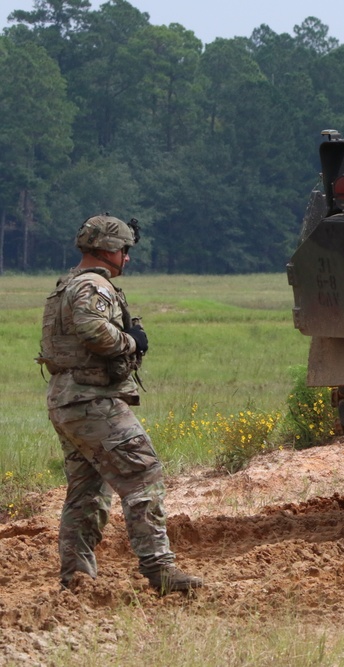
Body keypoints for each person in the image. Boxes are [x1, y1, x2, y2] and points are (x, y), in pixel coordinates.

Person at [37, 214, 203, 594]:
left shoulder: (67, 284)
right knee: (143, 475)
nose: (127, 258)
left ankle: (77, 580)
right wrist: (132, 341)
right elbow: (93, 328)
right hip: (92, 400)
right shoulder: (93, 286)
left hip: (68, 401)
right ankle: (160, 571)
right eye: (125, 250)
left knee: (87, 492)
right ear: (109, 249)